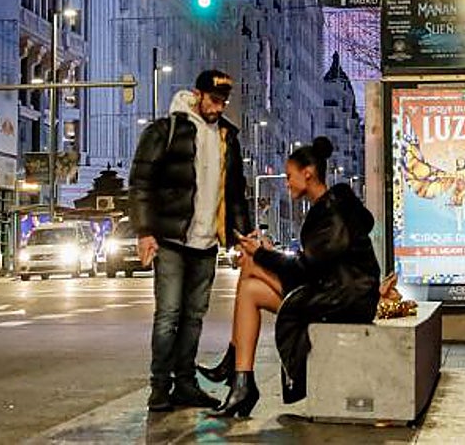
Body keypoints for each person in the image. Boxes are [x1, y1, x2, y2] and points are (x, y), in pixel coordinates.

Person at [198, 137, 380, 417]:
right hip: (334, 290)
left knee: (250, 270)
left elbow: (307, 267)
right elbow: (313, 264)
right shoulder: (330, 207)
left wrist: (262, 254)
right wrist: (265, 253)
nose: (287, 183)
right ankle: (240, 376)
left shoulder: (333, 212)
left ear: (308, 173)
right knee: (249, 283)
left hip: (344, 299)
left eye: (289, 176)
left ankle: (238, 373)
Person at [129, 70, 251, 413]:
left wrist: (242, 237)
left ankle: (185, 383)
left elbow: (236, 193)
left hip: (207, 243)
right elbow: (140, 182)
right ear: (197, 94)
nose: (218, 107)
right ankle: (159, 388)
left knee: (194, 316)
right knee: (169, 314)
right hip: (171, 238)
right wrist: (145, 232)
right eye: (214, 99)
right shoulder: (166, 130)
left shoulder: (228, 136)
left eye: (223, 101)